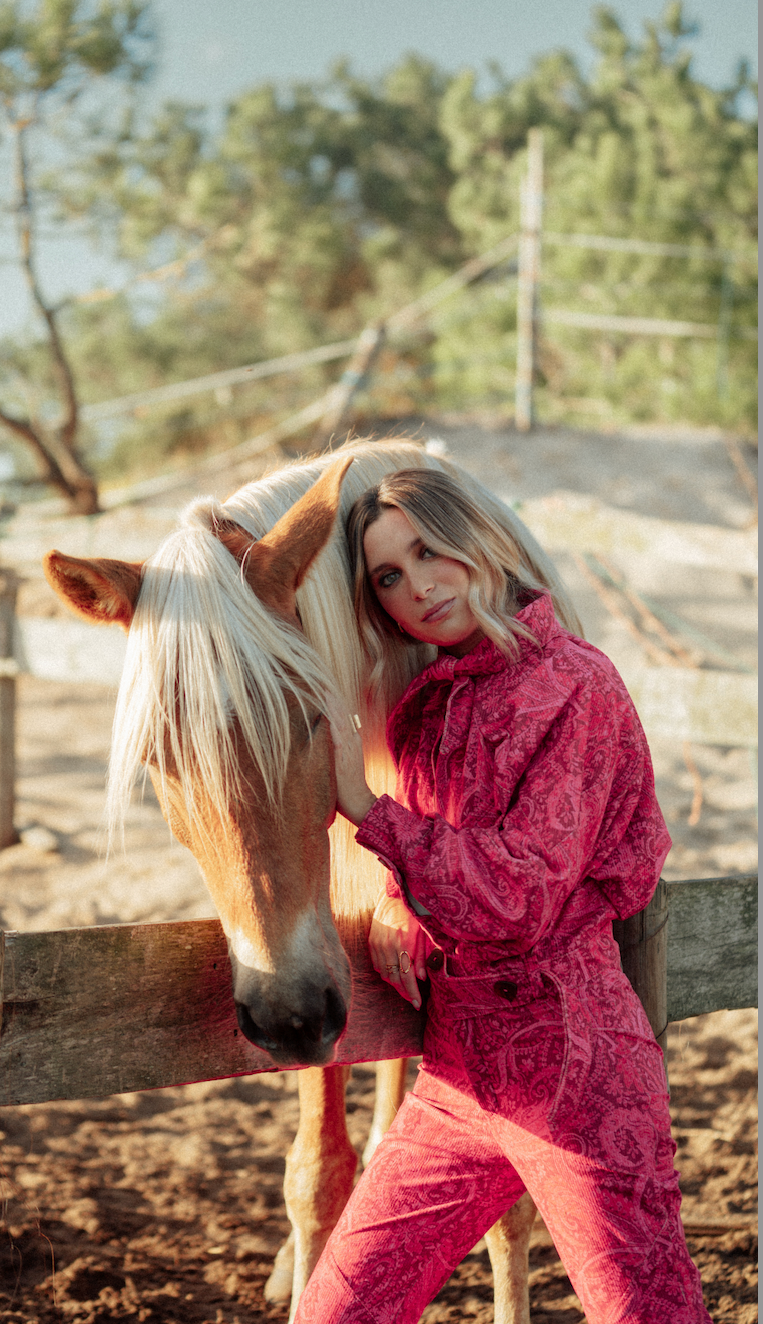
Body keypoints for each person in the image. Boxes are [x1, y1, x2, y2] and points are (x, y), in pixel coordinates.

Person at [296, 467, 711, 1323]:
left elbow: (518, 893)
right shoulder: (418, 717)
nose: (420, 587)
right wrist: (392, 903)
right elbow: (440, 870)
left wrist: (368, 812)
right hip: (456, 1083)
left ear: (479, 538)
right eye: (389, 579)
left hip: (578, 1078)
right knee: (333, 1313)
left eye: (429, 551)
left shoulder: (578, 686)